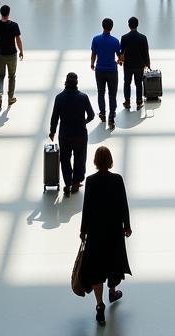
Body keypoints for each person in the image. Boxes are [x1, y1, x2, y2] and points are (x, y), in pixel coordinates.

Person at [79, 146, 132, 327]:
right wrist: (127, 225)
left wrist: (83, 230)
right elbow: (123, 204)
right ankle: (113, 291)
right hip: (113, 231)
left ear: (95, 161)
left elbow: (86, 208)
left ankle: (99, 305)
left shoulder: (91, 181)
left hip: (95, 232)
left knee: (96, 268)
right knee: (113, 262)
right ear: (110, 161)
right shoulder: (117, 180)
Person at [50, 72, 95, 196]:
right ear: (76, 83)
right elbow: (91, 115)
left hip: (65, 134)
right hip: (80, 133)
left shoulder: (59, 98)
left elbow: (55, 117)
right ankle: (76, 182)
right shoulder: (83, 97)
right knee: (80, 157)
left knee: (65, 158)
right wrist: (84, 122)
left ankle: (68, 183)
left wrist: (52, 131)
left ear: (66, 82)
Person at [0, 5, 23, 110]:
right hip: (12, 55)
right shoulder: (14, 25)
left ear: (1, 13)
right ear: (9, 13)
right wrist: (21, 51)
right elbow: (18, 39)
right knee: (11, 76)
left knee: (0, 75)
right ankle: (10, 98)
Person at [90, 18, 121, 128]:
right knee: (112, 94)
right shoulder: (115, 41)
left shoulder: (96, 39)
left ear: (102, 26)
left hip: (100, 70)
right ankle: (111, 117)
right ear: (111, 27)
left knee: (100, 92)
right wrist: (120, 61)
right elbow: (120, 56)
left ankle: (102, 113)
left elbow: (93, 53)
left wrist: (92, 64)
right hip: (112, 70)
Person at [119, 17, 150, 111]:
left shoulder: (124, 37)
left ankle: (127, 101)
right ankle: (139, 102)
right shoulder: (143, 37)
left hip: (128, 65)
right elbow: (146, 52)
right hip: (139, 65)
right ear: (137, 25)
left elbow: (121, 52)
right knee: (138, 84)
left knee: (127, 83)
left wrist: (120, 60)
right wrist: (148, 64)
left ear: (129, 25)